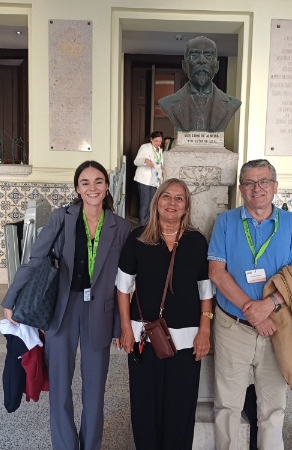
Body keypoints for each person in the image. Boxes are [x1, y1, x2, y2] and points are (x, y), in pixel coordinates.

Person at [1, 160, 130, 450]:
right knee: (59, 386)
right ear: (77, 188)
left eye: (98, 181)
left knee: (95, 390)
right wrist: (11, 299)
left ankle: (91, 445)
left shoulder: (120, 226)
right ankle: (65, 445)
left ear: (107, 186)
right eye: (85, 182)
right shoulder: (62, 218)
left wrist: (122, 325)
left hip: (100, 311)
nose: (92, 188)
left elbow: (124, 279)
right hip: (63, 308)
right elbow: (36, 259)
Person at [208, 159, 292, 450]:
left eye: (264, 181)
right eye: (250, 183)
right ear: (241, 189)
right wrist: (254, 311)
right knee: (227, 405)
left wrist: (269, 305)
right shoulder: (226, 222)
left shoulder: (291, 224)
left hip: (277, 327)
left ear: (275, 187)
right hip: (232, 326)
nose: (257, 188)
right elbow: (216, 272)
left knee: (273, 408)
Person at [116, 178, 213, 450]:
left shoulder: (196, 242)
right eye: (166, 196)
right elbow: (122, 288)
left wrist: (205, 331)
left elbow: (206, 291)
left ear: (186, 206)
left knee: (180, 410)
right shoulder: (138, 239)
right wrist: (125, 329)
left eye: (179, 198)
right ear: (156, 202)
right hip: (144, 338)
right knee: (145, 407)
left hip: (187, 341)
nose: (172, 203)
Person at [158, 36, 241, 132]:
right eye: (194, 55)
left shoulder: (232, 104)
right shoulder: (167, 103)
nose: (202, 60)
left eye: (208, 55)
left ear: (216, 67)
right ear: (185, 66)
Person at [133, 130, 164, 226]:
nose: (158, 143)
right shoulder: (145, 147)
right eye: (156, 141)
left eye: (160, 141)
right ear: (151, 139)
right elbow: (136, 161)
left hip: (155, 180)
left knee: (152, 203)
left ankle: (149, 225)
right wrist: (145, 160)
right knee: (145, 203)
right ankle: (142, 225)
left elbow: (159, 164)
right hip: (144, 179)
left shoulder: (160, 150)